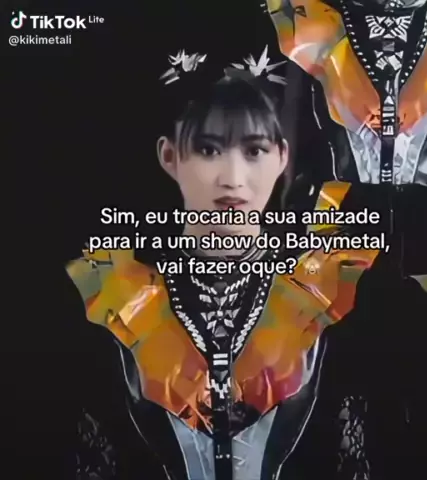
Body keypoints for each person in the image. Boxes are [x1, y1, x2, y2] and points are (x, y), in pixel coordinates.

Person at [66, 49, 379, 480]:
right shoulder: (119, 294)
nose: (232, 178)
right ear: (170, 156)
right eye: (209, 149)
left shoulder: (325, 293)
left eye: (253, 151)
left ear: (281, 157)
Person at [264, 0, 427, 477]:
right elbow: (288, 169)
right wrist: (278, 259)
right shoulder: (312, 24)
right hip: (337, 239)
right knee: (336, 396)